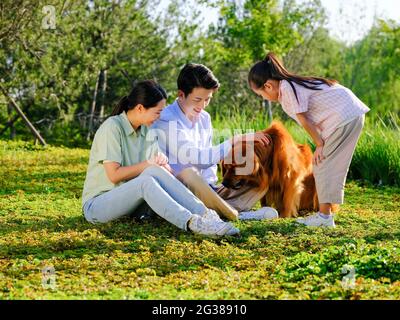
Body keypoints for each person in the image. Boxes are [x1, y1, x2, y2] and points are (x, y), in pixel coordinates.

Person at [81, 80, 239, 237]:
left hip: (131, 204)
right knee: (146, 179)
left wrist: (164, 167)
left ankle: (206, 215)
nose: (159, 117)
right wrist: (149, 163)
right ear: (140, 108)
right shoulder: (113, 127)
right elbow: (114, 175)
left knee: (154, 171)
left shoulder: (146, 131)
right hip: (98, 205)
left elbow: (159, 171)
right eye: (157, 112)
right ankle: (193, 223)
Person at [248, 53, 370, 228]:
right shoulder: (291, 84)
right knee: (327, 164)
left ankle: (325, 218)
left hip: (343, 116)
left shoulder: (287, 90)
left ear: (268, 86)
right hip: (348, 113)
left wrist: (320, 144)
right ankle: (325, 215)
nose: (263, 98)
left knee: (323, 164)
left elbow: (305, 121)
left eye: (260, 94)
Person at [152, 64, 279, 221]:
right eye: (197, 99)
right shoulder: (166, 119)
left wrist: (213, 188)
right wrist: (237, 139)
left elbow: (209, 162)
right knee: (189, 174)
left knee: (258, 179)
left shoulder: (204, 118)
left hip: (206, 190)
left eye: (208, 99)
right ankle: (236, 214)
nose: (202, 105)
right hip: (181, 189)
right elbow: (197, 158)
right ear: (181, 94)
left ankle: (220, 207)